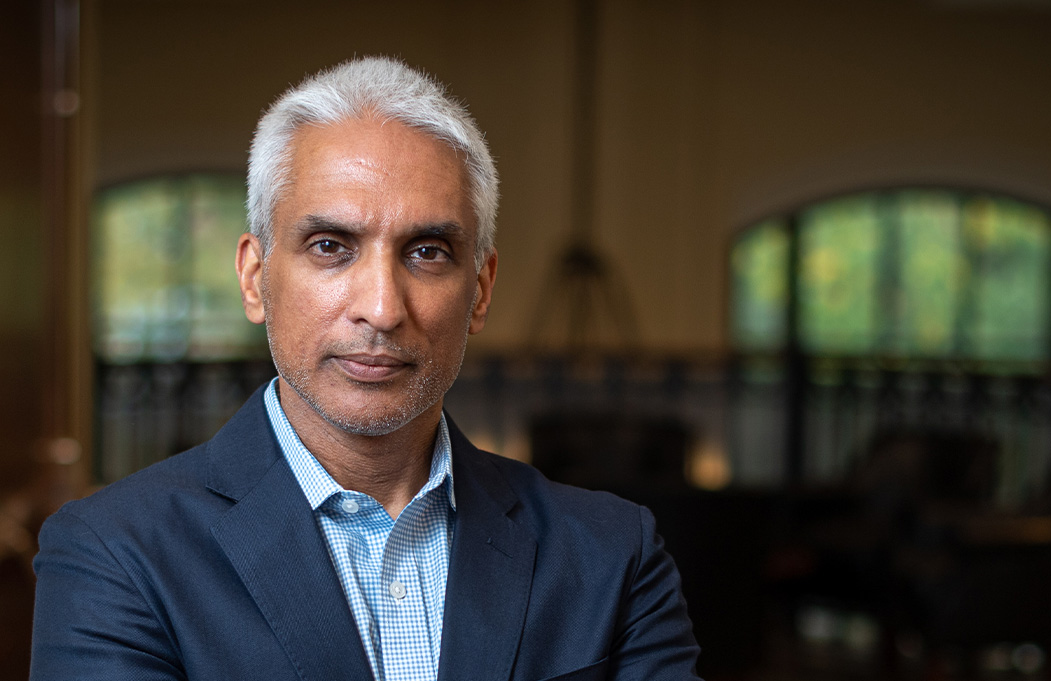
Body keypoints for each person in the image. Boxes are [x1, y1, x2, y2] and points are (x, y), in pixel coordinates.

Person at [30, 57, 701, 681]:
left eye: (428, 251)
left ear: (482, 290)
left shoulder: (615, 555)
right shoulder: (113, 554)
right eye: (330, 245)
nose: (381, 308)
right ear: (256, 277)